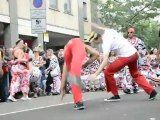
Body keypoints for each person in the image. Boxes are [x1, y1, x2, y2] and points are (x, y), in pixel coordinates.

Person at [89, 24, 157, 101]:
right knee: (135, 74)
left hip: (126, 56)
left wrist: (96, 73)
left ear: (96, 38)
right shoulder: (109, 31)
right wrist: (94, 26)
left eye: (94, 42)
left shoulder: (105, 43)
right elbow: (102, 28)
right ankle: (151, 91)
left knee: (108, 72)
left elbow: (105, 60)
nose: (95, 44)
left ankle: (115, 95)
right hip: (134, 54)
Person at [60, 38, 99, 110]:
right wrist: (86, 64)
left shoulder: (75, 47)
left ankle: (78, 100)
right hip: (73, 46)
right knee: (74, 75)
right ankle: (78, 102)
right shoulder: (84, 46)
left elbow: (65, 70)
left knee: (73, 73)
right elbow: (96, 54)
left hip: (69, 46)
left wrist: (63, 87)